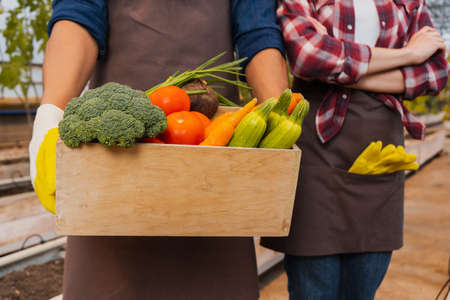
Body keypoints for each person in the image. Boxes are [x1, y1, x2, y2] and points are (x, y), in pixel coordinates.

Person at [28, 1, 289, 299]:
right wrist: (50, 111)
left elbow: (258, 35)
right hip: (114, 156)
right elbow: (78, 17)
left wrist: (278, 114)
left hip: (212, 163)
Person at [260, 0, 448, 299]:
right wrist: (408, 54)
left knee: (362, 289)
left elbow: (436, 74)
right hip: (316, 153)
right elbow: (308, 58)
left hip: (380, 153)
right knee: (313, 289)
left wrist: (338, 66)